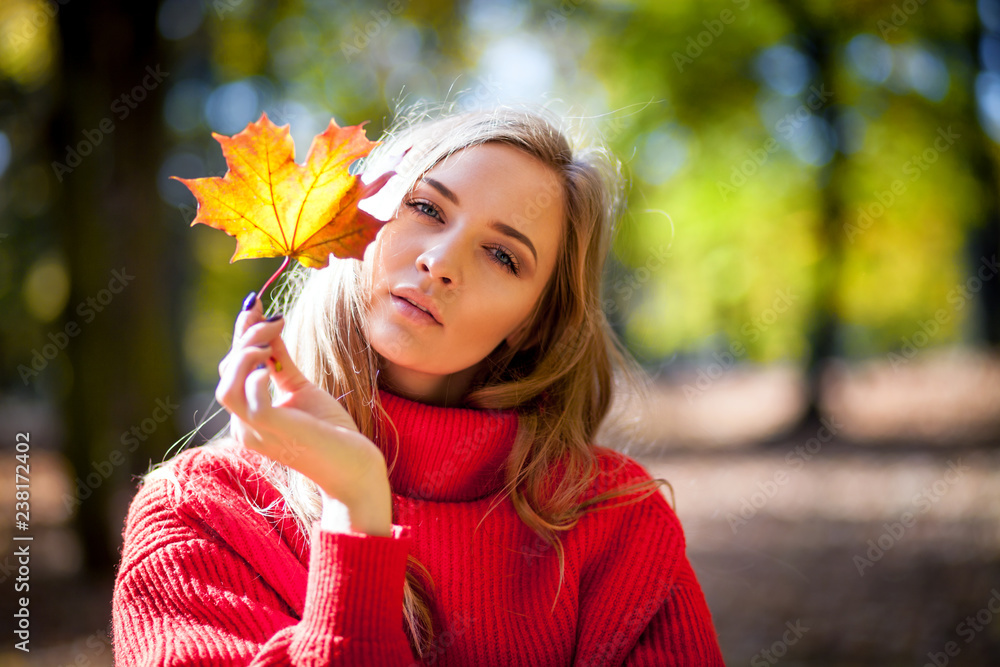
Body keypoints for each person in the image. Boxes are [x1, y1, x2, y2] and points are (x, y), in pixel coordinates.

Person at [111, 105, 725, 666]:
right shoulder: (198, 512)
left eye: (503, 256)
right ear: (358, 220)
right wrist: (356, 510)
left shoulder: (617, 522)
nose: (441, 261)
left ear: (534, 326)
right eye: (427, 208)